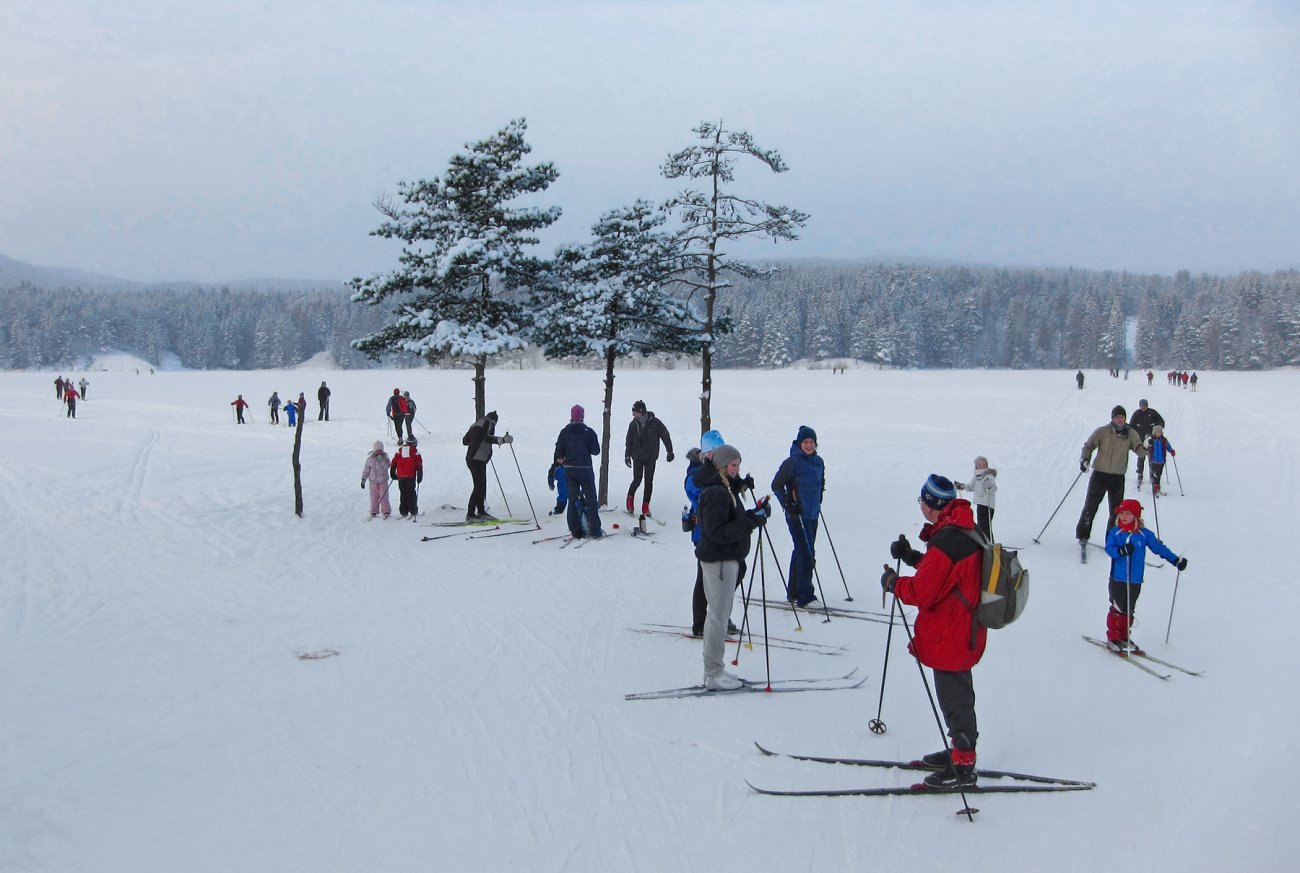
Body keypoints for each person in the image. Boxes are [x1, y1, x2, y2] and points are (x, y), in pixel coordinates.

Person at [881, 475, 985, 788]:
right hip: (962, 627)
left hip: (952, 631)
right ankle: (959, 750)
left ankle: (963, 765)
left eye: (922, 501)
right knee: (956, 694)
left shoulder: (949, 539)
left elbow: (924, 591)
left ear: (931, 505)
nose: (921, 506)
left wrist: (894, 584)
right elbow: (944, 573)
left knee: (955, 697)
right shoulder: (961, 527)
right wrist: (912, 557)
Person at [694, 444, 769, 690]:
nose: (737, 469)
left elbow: (730, 517)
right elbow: (717, 532)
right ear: (722, 466)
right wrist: (751, 521)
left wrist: (754, 513)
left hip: (724, 559)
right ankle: (713, 672)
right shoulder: (716, 492)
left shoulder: (723, 487)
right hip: (720, 561)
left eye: (738, 465)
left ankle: (715, 669)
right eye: (733, 465)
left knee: (718, 615)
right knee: (718, 617)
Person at [1102, 499, 1188, 653]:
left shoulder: (1143, 534)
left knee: (1129, 608)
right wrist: (1120, 551)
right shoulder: (1116, 532)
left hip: (1135, 579)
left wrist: (1175, 560)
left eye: (1128, 513)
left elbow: (1159, 548)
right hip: (1118, 578)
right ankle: (1113, 637)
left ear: (1136, 515)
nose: (1124, 517)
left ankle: (1124, 636)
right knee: (1117, 607)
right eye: (1122, 513)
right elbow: (1109, 549)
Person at [686, 430, 739, 637]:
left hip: (722, 530)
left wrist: (739, 484)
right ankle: (700, 623)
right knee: (704, 578)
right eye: (715, 451)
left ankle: (719, 613)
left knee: (734, 571)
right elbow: (698, 494)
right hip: (704, 531)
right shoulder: (696, 473)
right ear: (707, 453)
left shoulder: (719, 469)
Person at [1074, 405, 1145, 547]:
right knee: (1090, 506)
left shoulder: (1130, 434)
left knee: (1116, 511)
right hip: (1099, 474)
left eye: (1122, 417)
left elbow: (1139, 450)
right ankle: (1083, 535)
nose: (1120, 420)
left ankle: (1112, 539)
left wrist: (1147, 447)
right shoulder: (1103, 432)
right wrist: (1085, 459)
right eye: (1117, 417)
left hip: (1117, 476)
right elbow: (1088, 446)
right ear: (1112, 418)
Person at [771, 425, 825, 609]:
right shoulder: (792, 462)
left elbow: (820, 482)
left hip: (812, 514)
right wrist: (788, 503)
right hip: (797, 515)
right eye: (805, 442)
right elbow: (776, 484)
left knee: (801, 550)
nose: (809, 445)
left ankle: (794, 591)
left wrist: (819, 498)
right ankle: (805, 596)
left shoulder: (818, 462)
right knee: (806, 553)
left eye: (811, 442)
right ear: (799, 443)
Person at [554, 405, 603, 539]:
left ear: (571, 416)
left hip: (570, 470)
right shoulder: (589, 432)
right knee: (591, 499)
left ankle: (575, 530)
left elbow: (559, 454)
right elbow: (596, 451)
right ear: (582, 416)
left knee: (572, 499)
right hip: (585, 469)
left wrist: (564, 457)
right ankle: (595, 530)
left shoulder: (564, 432)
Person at [624, 399, 675, 516]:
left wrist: (670, 451)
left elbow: (665, 436)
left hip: (651, 457)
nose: (633, 414)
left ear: (641, 412)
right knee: (637, 479)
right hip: (637, 457)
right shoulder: (633, 425)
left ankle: (645, 505)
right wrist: (627, 455)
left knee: (648, 481)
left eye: (634, 412)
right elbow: (628, 441)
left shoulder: (655, 423)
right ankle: (630, 499)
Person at [462, 411, 512, 521]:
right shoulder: (489, 422)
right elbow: (487, 437)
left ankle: (481, 510)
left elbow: (465, 441)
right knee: (479, 486)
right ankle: (471, 514)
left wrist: (477, 443)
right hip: (478, 458)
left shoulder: (476, 424)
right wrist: (501, 440)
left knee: (480, 485)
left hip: (471, 458)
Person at [954, 455, 997, 540]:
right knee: (982, 525)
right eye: (979, 465)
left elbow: (993, 489)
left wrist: (989, 486)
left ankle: (988, 542)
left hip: (987, 504)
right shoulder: (977, 476)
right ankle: (987, 541)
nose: (982, 466)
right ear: (976, 466)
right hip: (980, 503)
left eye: (984, 464)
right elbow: (971, 487)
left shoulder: (988, 475)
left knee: (984, 525)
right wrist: (962, 486)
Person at [1128, 399, 1165, 489]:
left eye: (1144, 405)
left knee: (1151, 457)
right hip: (1140, 440)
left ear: (1147, 405)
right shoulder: (1137, 414)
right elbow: (1131, 426)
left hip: (1152, 440)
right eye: (1141, 406)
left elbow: (1161, 422)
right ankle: (1140, 475)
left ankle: (1152, 474)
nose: (1143, 407)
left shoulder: (1152, 412)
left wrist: (1157, 430)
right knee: (1141, 457)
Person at [389, 436, 423, 519]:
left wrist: (392, 473)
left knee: (403, 493)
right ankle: (413, 510)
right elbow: (419, 465)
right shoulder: (415, 453)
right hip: (410, 476)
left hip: (401, 476)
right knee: (411, 493)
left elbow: (394, 463)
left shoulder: (400, 452)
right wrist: (420, 475)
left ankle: (404, 511)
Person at [361, 440, 393, 519]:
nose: (379, 453)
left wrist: (381, 461)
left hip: (383, 481)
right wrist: (363, 479)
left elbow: (387, 466)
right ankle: (374, 511)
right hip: (373, 482)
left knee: (384, 496)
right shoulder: (370, 459)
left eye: (380, 451)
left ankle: (386, 510)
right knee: (374, 496)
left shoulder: (385, 458)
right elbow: (366, 470)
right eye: (377, 451)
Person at [1147, 425, 1175, 497]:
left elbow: (1168, 446)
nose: (1158, 433)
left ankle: (1157, 488)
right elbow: (1146, 446)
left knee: (1159, 474)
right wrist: (1149, 446)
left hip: (1161, 460)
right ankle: (1155, 489)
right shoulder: (1151, 440)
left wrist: (1171, 450)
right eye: (1157, 432)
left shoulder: (1163, 440)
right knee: (1155, 475)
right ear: (1154, 433)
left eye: (1160, 432)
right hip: (1154, 460)